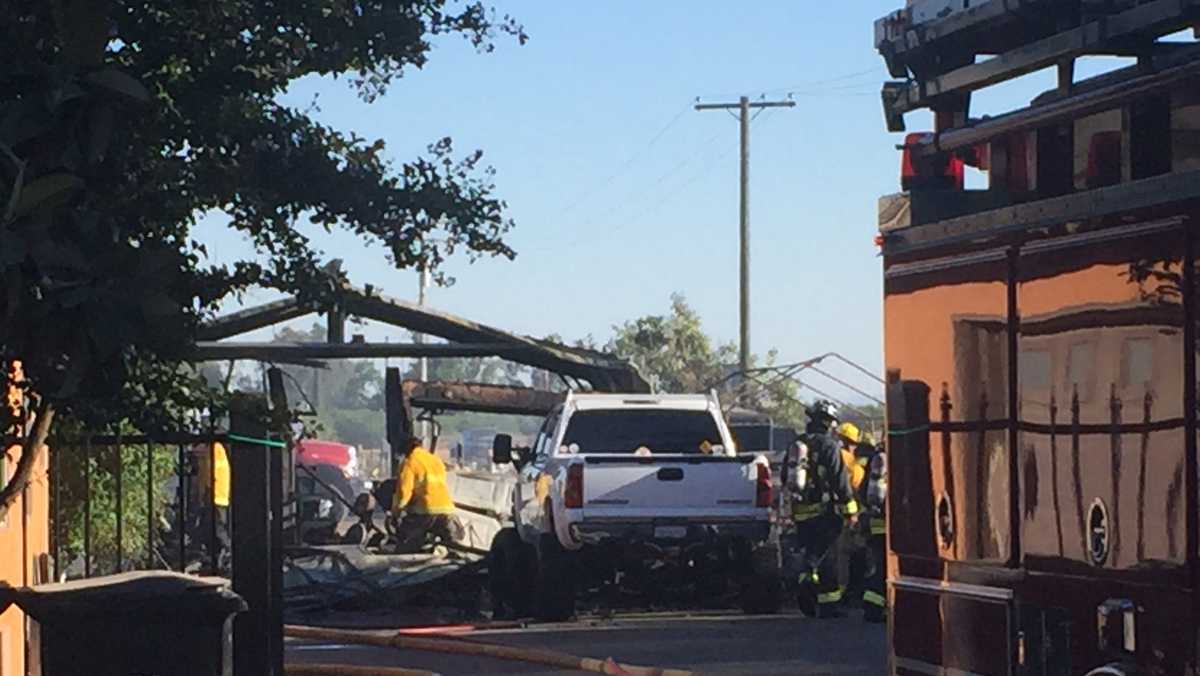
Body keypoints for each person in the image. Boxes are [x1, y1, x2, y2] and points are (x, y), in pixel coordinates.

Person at [788, 400, 859, 619]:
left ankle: (808, 589)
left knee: (813, 551)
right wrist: (850, 510)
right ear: (829, 423)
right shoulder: (829, 446)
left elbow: (785, 477)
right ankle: (827, 603)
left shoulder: (797, 444)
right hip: (824, 512)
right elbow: (840, 481)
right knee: (826, 557)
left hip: (801, 512)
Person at [391, 437, 463, 552]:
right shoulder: (436, 460)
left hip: (424, 511)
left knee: (406, 545)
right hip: (447, 510)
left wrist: (396, 513)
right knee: (454, 548)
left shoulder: (409, 462)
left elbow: (404, 494)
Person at [860, 436, 888, 623]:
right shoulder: (898, 459)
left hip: (875, 524)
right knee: (885, 569)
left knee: (879, 566)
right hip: (891, 526)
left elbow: (863, 492)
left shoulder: (874, 460)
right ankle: (874, 608)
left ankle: (872, 604)